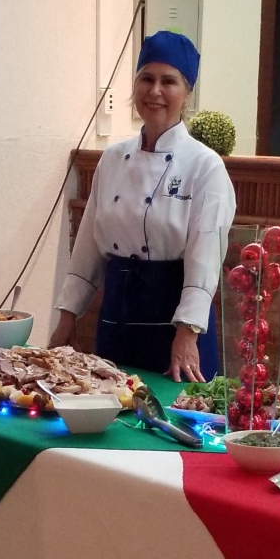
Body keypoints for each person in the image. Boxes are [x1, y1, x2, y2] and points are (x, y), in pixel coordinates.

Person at [50, 30, 236, 382]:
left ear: (187, 92)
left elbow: (205, 258)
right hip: (116, 317)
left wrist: (188, 333)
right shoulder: (112, 159)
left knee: (176, 413)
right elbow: (88, 249)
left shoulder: (205, 166)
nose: (155, 91)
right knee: (111, 405)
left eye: (169, 81)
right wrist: (67, 318)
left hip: (176, 324)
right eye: (146, 78)